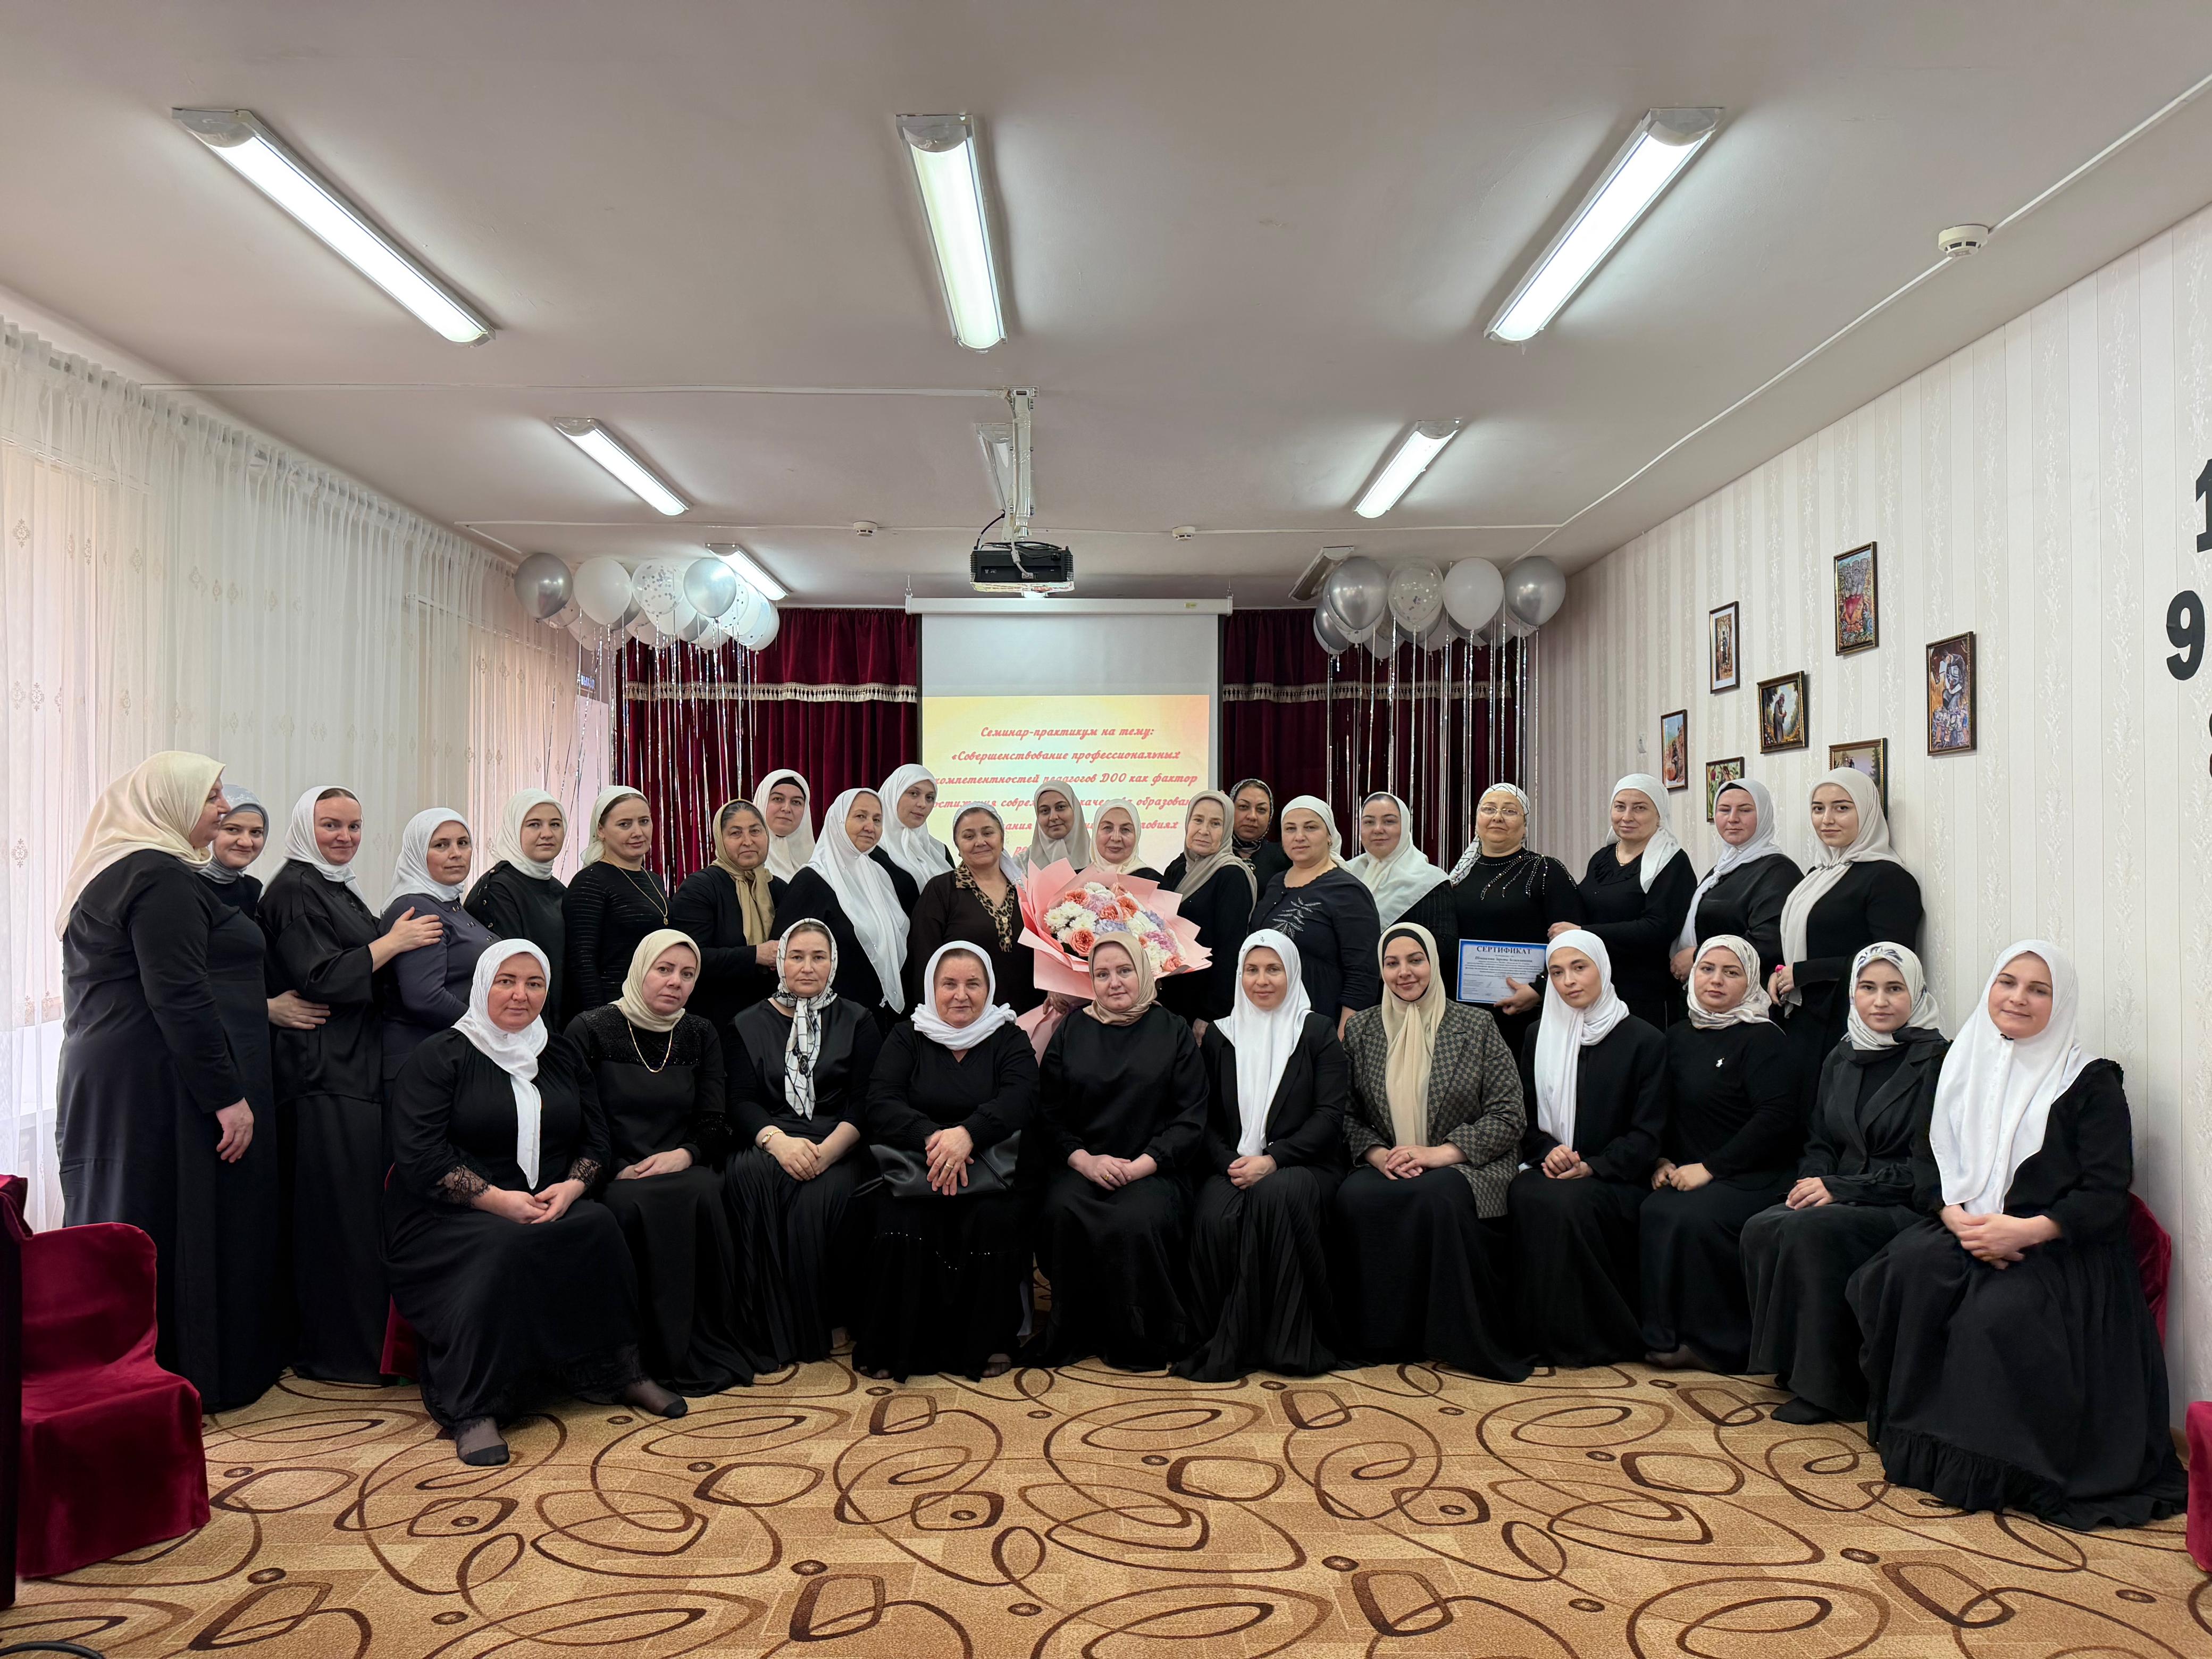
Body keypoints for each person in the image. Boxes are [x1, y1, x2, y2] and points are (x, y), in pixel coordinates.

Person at [1848, 942, 2185, 1529]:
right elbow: (1927, 1161)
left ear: (2062, 1002)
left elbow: (2105, 1194)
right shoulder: (1955, 1063)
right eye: (2007, 982)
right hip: (1968, 1225)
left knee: (1996, 1314)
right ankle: (1917, 1438)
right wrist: (1951, 1215)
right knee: (1902, 1273)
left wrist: (2026, 1230)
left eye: (2038, 989)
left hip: (2058, 1244)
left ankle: (2004, 1465)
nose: (2018, 998)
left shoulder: (2091, 1082)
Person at [385, 943, 684, 1467]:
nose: (520, 995)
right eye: (506, 981)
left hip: (549, 1198)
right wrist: (497, 1201)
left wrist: (572, 1189)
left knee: (599, 1227)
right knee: (503, 1248)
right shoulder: (441, 1055)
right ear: (483, 986)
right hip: (451, 1211)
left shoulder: (561, 1054)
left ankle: (621, 1372)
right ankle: (475, 1407)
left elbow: (596, 1139)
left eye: (534, 983)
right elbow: (421, 1155)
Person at [54, 754, 283, 1412]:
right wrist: (227, 1097)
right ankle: (176, 1375)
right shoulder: (161, 877)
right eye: (210, 796)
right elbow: (180, 996)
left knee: (117, 1209)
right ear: (168, 801)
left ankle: (112, 1373)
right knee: (164, 1218)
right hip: (153, 1073)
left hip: (101, 1069)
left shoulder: (105, 869)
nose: (222, 808)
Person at [261, 784, 441, 1383]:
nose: (344, 837)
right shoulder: (294, 888)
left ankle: (369, 1350)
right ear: (304, 828)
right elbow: (321, 978)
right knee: (335, 1221)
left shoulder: (333, 885)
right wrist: (394, 942)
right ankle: (340, 1354)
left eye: (354, 826)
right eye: (331, 826)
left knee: (356, 1215)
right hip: (322, 1074)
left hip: (352, 1069)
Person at [1742, 943, 1946, 1423]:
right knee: (1761, 1226)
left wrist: (1843, 1189)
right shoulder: (1843, 1054)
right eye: (1868, 988)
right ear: (1853, 994)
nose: (1881, 1001)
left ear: (1916, 994)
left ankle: (1833, 1389)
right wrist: (1813, 1181)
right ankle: (1793, 1366)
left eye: (1895, 989)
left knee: (1809, 1231)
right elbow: (1820, 1138)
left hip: (1902, 1199)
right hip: (1842, 1192)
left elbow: (1931, 1165)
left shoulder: (1938, 1060)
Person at [566, 930, 760, 1393]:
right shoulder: (591, 1028)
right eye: (665, 969)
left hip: (680, 1165)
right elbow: (577, 1120)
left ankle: (695, 1347)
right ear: (640, 970)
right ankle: (633, 1359)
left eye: (688, 974)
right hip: (614, 1170)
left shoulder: (700, 1032)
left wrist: (685, 1154)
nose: (676, 982)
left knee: (707, 1190)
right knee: (626, 1205)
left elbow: (714, 1119)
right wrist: (614, 1167)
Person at [1334, 923, 1528, 1380]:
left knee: (1435, 1196)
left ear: (1434, 963)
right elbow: (1344, 1113)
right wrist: (1377, 1155)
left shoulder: (1476, 1025)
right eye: (1392, 963)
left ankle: (1449, 1337)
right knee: (1355, 1197)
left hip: (1464, 1164)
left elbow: (1509, 1114)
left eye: (1415, 960)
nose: (1404, 972)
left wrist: (1440, 1154)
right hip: (1389, 1160)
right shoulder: (1361, 1029)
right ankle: (1382, 1337)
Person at [856, 943, 1037, 1382]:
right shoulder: (907, 1036)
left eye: (973, 984)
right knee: (901, 1223)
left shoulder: (1009, 1037)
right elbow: (881, 1101)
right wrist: (934, 1139)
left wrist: (968, 1134)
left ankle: (987, 1342)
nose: (961, 995)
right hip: (917, 1167)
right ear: (931, 987)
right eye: (949, 984)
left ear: (989, 988)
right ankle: (900, 1345)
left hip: (992, 1170)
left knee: (993, 1220)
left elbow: (1021, 1098)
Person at [1025, 935, 1206, 1369]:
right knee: (1062, 1211)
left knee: (1134, 1219)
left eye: (1124, 971)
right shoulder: (1072, 1030)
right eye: (1102, 974)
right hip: (1084, 1164)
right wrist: (1085, 1160)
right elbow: (1048, 1113)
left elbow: (1190, 1118)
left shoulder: (1174, 1031)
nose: (1114, 983)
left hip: (1155, 1167)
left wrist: (1142, 1166)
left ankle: (1138, 1335)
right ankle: (1075, 1329)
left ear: (1144, 972)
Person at [1174, 932, 1347, 1381]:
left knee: (1275, 1197)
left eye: (1274, 970)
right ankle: (1228, 1337)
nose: (1262, 980)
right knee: (1215, 1214)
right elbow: (1205, 1117)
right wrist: (1229, 1163)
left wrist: (1273, 1159)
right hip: (1234, 1164)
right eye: (1252, 970)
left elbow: (1330, 1116)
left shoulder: (1317, 1032)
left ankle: (1285, 1342)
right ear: (1239, 976)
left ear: (1293, 973)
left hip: (1304, 1165)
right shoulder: (1221, 1036)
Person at [724, 921, 885, 1365]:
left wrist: (828, 1153)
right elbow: (740, 1102)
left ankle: (820, 1321)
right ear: (780, 962)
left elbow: (866, 1101)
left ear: (834, 963)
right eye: (797, 957)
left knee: (821, 1199)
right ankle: (762, 1324)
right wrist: (778, 1144)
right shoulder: (746, 1023)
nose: (808, 967)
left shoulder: (858, 1020)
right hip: (772, 1137)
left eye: (819, 957)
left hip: (838, 1141)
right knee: (749, 1175)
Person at [1642, 935, 1803, 1373]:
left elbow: (1776, 1120)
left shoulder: (1764, 1039)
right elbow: (1659, 1108)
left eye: (1732, 973)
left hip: (1755, 1173)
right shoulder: (1677, 1036)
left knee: (1694, 1217)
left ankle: (1718, 1344)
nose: (1716, 980)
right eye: (1707, 969)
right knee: (1655, 1208)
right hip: (1689, 1171)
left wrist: (1711, 1168)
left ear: (1750, 982)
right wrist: (1661, 1159)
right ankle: (1662, 1334)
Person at [1508, 931, 1666, 1368]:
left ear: (1603, 969)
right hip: (1551, 1167)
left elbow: (1648, 1134)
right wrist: (1548, 1151)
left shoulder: (1645, 1039)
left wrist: (1594, 1166)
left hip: (1617, 1178)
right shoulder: (1539, 1034)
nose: (1568, 982)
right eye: (1557, 973)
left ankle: (1589, 1337)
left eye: (1580, 968)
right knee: (1526, 1193)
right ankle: (1536, 1335)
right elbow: (1524, 1117)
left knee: (1569, 1203)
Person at [1772, 768, 1923, 1093]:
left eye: (1842, 808)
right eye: (1818, 809)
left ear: (1867, 812)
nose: (1827, 819)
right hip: (1807, 1016)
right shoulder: (1819, 874)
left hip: (1849, 1020)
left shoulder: (1888, 878)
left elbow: (1891, 960)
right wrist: (1783, 973)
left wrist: (1805, 972)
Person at [1447, 783, 1583, 1059]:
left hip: (1528, 1013)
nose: (1497, 817)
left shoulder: (1546, 870)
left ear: (1525, 827)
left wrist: (1539, 990)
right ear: (1476, 822)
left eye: (1510, 811)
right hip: (1464, 1014)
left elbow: (1574, 943)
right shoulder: (1457, 877)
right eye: (1489, 810)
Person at [775, 788, 911, 1021]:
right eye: (860, 816)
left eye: (877, 820)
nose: (870, 826)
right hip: (831, 1019)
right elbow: (785, 957)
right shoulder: (812, 881)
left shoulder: (879, 875)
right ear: (838, 821)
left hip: (878, 1016)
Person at [380, 808, 496, 1082]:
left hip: (449, 1054)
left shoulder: (450, 905)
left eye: (463, 843)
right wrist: (487, 1029)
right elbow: (425, 997)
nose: (456, 853)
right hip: (423, 1061)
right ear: (418, 853)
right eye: (441, 845)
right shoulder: (417, 909)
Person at [1571, 774, 1695, 1030]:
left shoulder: (1672, 863)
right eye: (1620, 807)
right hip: (1599, 987)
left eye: (1639, 808)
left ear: (1659, 815)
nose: (1627, 817)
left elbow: (1658, 928)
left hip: (1646, 994)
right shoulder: (1602, 858)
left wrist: (1584, 933)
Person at [1249, 796, 1382, 1033]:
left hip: (1319, 1027)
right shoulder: (1276, 882)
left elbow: (1362, 974)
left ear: (1330, 836)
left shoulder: (1347, 891)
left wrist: (1343, 1038)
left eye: (1310, 828)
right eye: (1290, 829)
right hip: (1268, 1024)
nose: (1299, 836)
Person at [904, 803, 1039, 1013]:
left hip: (1029, 1014)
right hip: (963, 1016)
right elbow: (924, 961)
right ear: (957, 847)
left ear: (1002, 838)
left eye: (988, 833)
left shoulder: (1026, 889)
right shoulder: (942, 890)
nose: (980, 842)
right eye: (969, 836)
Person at [668, 799, 785, 1032]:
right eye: (736, 833)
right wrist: (756, 955)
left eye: (755, 831)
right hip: (714, 1020)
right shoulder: (700, 888)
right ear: (720, 840)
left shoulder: (777, 888)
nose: (748, 841)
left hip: (770, 1020)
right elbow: (690, 958)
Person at [1668, 778, 1799, 985]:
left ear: (1763, 815)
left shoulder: (1779, 872)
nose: (1733, 819)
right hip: (1713, 989)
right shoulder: (1724, 868)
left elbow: (1768, 943)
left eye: (1745, 810)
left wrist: (1698, 956)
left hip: (1748, 991)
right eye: (1724, 810)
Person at [562, 786, 669, 1024]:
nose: (638, 832)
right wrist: (602, 1022)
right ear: (601, 830)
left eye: (644, 821)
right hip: (613, 1012)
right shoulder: (590, 881)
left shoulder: (654, 880)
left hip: (653, 1010)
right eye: (624, 824)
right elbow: (582, 961)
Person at [465, 790, 569, 1018]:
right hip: (521, 1018)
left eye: (555, 824)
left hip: (558, 1018)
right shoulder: (498, 889)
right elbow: (513, 971)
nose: (547, 834)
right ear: (514, 830)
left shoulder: (558, 888)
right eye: (534, 825)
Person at [1158, 791, 1258, 1024]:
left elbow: (1231, 951)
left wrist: (1210, 1014)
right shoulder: (1178, 869)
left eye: (1215, 824)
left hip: (1205, 1007)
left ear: (1227, 830)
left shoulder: (1232, 876)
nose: (1204, 830)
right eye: (1198, 820)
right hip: (1171, 997)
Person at [1347, 791, 1455, 953]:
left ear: (1405, 827)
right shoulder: (1346, 873)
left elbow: (1445, 948)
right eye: (1369, 822)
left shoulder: (1431, 881)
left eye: (1389, 821)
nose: (1378, 829)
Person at [877, 764, 953, 890]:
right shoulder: (871, 850)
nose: (923, 804)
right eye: (914, 794)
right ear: (893, 794)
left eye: (930, 798)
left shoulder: (939, 851)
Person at [1229, 777, 1292, 894]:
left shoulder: (1286, 857)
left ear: (1270, 815)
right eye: (1243, 807)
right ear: (1229, 809)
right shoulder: (1210, 855)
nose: (1252, 816)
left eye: (1261, 809)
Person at [753, 768, 815, 882]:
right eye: (778, 799)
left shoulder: (818, 862)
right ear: (763, 801)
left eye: (796, 802)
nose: (787, 809)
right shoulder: (744, 859)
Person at [1025, 780, 1092, 870]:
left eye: (1061, 807)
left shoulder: (1099, 859)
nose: (1053, 817)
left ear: (1075, 810)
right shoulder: (1020, 866)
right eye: (1045, 811)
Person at [1088, 800, 1160, 879]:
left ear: (1137, 835)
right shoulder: (1078, 878)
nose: (1116, 838)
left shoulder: (1155, 881)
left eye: (1125, 830)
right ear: (1095, 833)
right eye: (1107, 828)